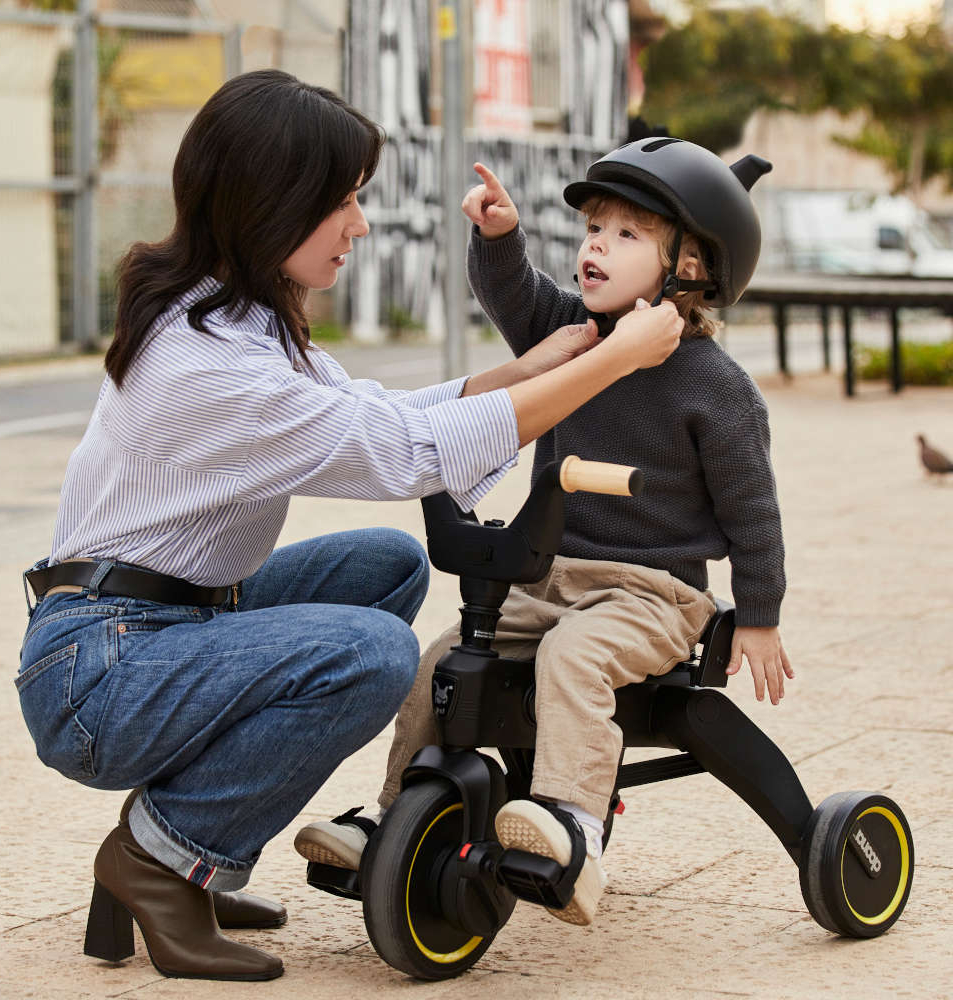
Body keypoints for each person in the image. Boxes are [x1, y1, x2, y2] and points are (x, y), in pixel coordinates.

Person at [16, 72, 685, 982]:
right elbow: (398, 450)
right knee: (367, 652)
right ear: (271, 203)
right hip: (98, 675)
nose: (359, 224)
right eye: (341, 201)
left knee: (386, 568)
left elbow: (374, 408)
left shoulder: (238, 315)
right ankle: (160, 858)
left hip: (152, 625)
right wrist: (609, 364)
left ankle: (183, 844)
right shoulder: (204, 365)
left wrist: (528, 369)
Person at [294, 136, 794, 928]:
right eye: (595, 228)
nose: (596, 244)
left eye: (627, 234)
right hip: (549, 580)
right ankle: (392, 816)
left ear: (690, 267)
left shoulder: (717, 389)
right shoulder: (577, 329)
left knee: (573, 659)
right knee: (445, 660)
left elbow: (752, 512)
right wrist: (498, 237)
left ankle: (572, 826)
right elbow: (515, 299)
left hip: (652, 596)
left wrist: (759, 616)